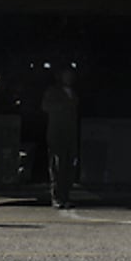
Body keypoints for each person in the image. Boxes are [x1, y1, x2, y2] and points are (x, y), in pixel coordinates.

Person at [41, 66, 79, 209]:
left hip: (70, 132)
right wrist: (62, 106)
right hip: (57, 132)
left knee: (69, 165)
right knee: (57, 165)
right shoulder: (53, 92)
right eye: (66, 75)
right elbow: (45, 106)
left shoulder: (73, 93)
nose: (69, 78)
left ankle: (66, 195)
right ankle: (56, 197)